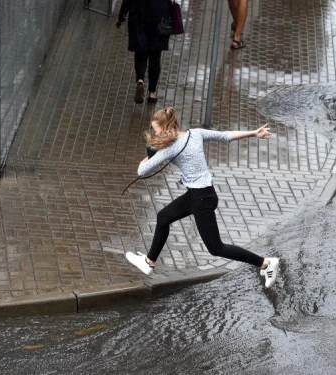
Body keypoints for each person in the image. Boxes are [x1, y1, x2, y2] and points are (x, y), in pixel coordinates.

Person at [125, 107, 280, 288]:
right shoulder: (196, 133)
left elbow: (141, 171)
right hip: (198, 195)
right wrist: (254, 133)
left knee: (216, 248)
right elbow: (225, 135)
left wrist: (148, 156)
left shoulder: (170, 148)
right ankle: (149, 262)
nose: (155, 133)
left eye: (156, 129)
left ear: (166, 127)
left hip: (201, 201)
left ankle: (266, 263)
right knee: (163, 217)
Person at [117, 0, 170, 104]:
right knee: (155, 57)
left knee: (140, 53)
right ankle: (152, 94)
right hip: (158, 16)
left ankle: (140, 80)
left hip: (138, 16)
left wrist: (121, 17)